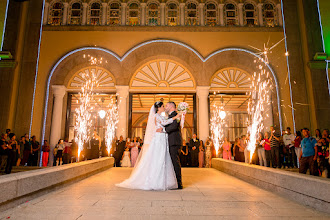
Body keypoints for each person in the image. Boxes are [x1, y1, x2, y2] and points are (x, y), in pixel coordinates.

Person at [116, 101, 181, 190]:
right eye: (162, 106)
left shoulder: (161, 116)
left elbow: (165, 122)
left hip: (162, 138)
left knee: (163, 158)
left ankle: (164, 180)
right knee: (158, 158)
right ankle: (155, 180)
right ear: (158, 108)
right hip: (159, 138)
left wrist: (173, 119)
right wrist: (175, 117)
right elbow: (164, 123)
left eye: (165, 106)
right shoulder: (156, 116)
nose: (164, 108)